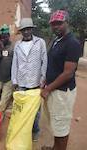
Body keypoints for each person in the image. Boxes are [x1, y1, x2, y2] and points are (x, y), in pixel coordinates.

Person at [41, 10, 82, 150]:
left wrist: (48, 88)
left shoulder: (72, 43)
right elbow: (54, 64)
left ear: (67, 23)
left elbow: (68, 73)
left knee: (61, 127)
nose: (55, 26)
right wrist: (45, 80)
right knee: (56, 125)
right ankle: (54, 147)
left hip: (62, 93)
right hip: (53, 89)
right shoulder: (56, 41)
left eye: (59, 23)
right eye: (53, 24)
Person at [11, 18, 47, 141]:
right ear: (21, 31)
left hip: (36, 82)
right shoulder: (18, 45)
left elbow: (44, 61)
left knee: (36, 110)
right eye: (23, 30)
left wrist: (43, 78)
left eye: (28, 29)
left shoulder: (40, 42)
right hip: (21, 82)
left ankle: (35, 131)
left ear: (32, 29)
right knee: (22, 109)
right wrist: (14, 80)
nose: (26, 32)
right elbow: (14, 64)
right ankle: (24, 131)